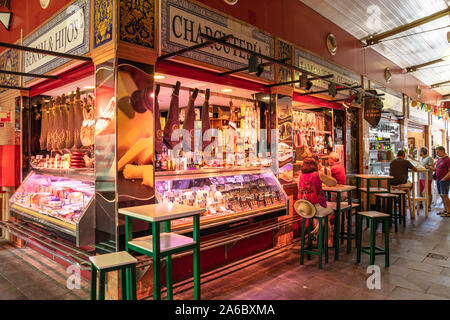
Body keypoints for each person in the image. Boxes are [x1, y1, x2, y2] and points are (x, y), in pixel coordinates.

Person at [297, 158, 333, 246]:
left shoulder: (301, 176)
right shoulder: (318, 175)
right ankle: (323, 237)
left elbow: (299, 188)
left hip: (305, 206)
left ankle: (315, 240)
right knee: (329, 213)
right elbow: (332, 183)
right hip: (318, 203)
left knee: (316, 217)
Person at [434, 146, 450, 217]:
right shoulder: (439, 159)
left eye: (437, 152)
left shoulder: (448, 159)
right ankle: (445, 209)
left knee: (445, 195)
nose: (436, 153)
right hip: (438, 179)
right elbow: (437, 168)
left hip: (444, 180)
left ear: (442, 151)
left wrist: (444, 179)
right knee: (441, 195)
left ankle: (449, 211)